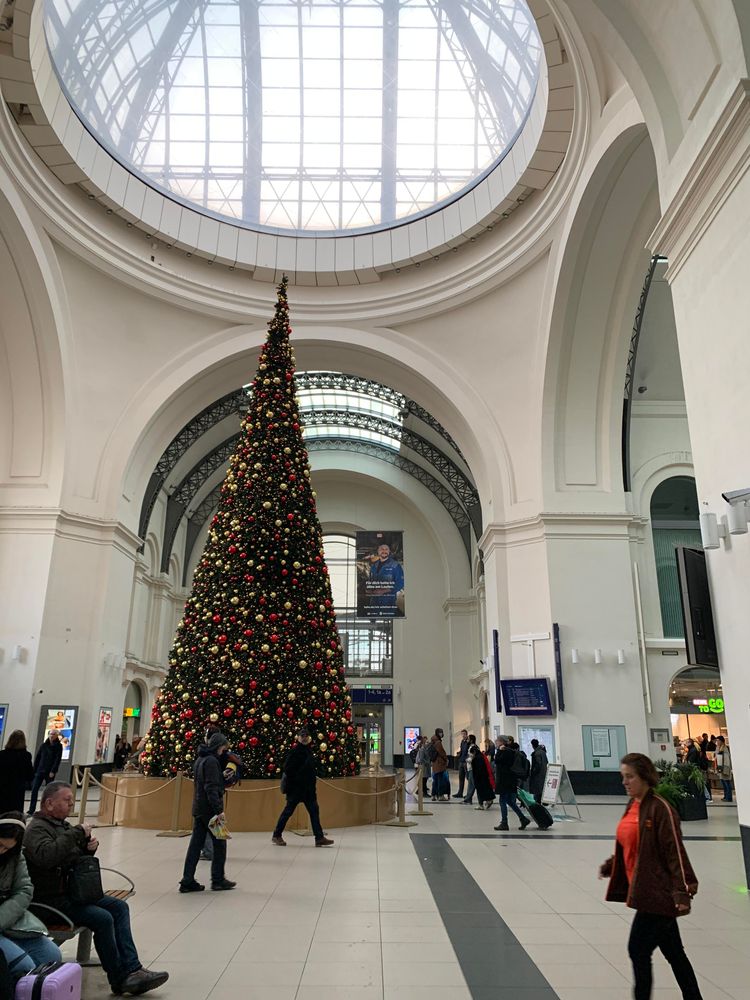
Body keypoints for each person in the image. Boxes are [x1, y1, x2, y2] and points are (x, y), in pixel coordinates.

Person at [23, 782, 168, 996]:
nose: (71, 803)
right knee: (102, 918)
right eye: (66, 800)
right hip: (50, 901)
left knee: (118, 907)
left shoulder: (60, 826)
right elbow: (47, 857)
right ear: (49, 803)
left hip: (72, 893)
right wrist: (75, 835)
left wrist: (87, 848)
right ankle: (119, 979)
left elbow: (69, 857)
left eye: (72, 799)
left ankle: (132, 968)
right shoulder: (36, 829)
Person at [599, 753, 702, 1000]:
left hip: (658, 893)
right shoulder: (633, 805)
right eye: (622, 777)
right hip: (645, 888)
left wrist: (682, 890)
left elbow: (674, 851)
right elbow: (631, 844)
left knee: (637, 949)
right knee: (675, 953)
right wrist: (613, 865)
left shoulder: (660, 808)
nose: (624, 782)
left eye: (630, 777)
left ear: (645, 777)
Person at [0, 813, 62, 983]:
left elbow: (24, 890)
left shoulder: (15, 857)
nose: (1, 851)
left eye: (7, 848)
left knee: (51, 955)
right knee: (23, 966)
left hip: (8, 920)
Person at [179, 732, 236, 892]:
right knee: (220, 844)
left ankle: (187, 879)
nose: (224, 751)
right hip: (210, 810)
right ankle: (218, 880)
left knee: (195, 845)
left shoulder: (200, 759)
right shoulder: (211, 761)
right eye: (224, 748)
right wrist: (219, 811)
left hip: (198, 808)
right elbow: (210, 787)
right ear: (219, 746)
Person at [272, 728, 334, 848]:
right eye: (302, 735)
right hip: (296, 790)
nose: (304, 737)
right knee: (288, 812)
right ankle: (276, 835)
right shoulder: (295, 752)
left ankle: (319, 838)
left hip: (309, 791)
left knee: (314, 812)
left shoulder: (308, 751)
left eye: (306, 735)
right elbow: (288, 769)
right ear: (298, 738)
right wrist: (299, 779)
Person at [493, 738, 530, 832]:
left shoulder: (505, 751)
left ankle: (504, 823)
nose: (496, 743)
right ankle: (523, 819)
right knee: (510, 801)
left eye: (497, 741)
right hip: (511, 780)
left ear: (501, 742)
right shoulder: (510, 751)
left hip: (505, 780)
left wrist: (499, 751)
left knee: (502, 801)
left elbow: (497, 760)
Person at [27, 731, 62, 815]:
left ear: (57, 736)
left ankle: (47, 809)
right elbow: (38, 758)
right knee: (34, 789)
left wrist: (53, 771)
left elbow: (57, 759)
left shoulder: (58, 746)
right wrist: (34, 770)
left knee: (49, 791)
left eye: (54, 734)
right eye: (50, 734)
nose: (52, 736)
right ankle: (31, 809)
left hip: (49, 772)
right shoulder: (43, 745)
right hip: (40, 770)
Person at [365, 543, 405, 616]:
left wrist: (384, 590)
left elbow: (400, 583)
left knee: (388, 621)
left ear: (389, 552)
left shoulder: (395, 565)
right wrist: (369, 589)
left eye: (386, 549)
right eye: (382, 549)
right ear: (378, 551)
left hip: (388, 603)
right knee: (373, 622)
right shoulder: (374, 566)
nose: (384, 551)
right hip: (374, 603)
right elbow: (371, 581)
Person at [0, 733, 34, 815]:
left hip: (2, 788)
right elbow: (30, 775)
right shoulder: (26, 755)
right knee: (15, 815)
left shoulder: (2, 754)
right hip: (17, 790)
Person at [469, 745, 495, 810]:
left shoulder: (477, 758)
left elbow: (478, 769)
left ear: (474, 752)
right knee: (485, 790)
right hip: (484, 777)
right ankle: (487, 801)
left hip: (480, 777)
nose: (471, 755)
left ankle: (482, 804)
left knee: (480, 791)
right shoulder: (481, 756)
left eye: (472, 753)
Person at [430, 729, 450, 801]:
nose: (442, 734)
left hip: (435, 763)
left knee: (435, 780)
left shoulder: (433, 741)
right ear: (438, 733)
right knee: (440, 780)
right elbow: (441, 752)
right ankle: (440, 795)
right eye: (440, 733)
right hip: (439, 763)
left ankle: (433, 795)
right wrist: (446, 759)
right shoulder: (438, 742)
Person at [714, 736, 732, 802]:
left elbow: (726, 759)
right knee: (724, 783)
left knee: (727, 783)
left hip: (724, 768)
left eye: (718, 740)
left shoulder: (725, 748)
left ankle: (729, 797)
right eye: (717, 740)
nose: (717, 742)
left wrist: (726, 768)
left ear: (721, 741)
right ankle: (726, 796)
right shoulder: (718, 748)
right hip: (720, 768)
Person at [529, 738, 548, 804]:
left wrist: (533, 771)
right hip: (544, 772)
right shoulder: (543, 752)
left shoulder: (536, 753)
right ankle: (543, 801)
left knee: (537, 789)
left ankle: (538, 803)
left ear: (532, 745)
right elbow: (546, 762)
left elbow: (538, 764)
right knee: (541, 788)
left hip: (538, 774)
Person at [453, 730, 470, 798]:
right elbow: (462, 750)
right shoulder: (462, 742)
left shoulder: (468, 742)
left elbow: (468, 751)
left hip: (466, 762)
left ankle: (469, 793)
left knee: (468, 778)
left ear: (466, 734)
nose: (463, 735)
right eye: (462, 734)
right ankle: (460, 792)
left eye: (464, 734)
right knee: (461, 777)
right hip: (461, 761)